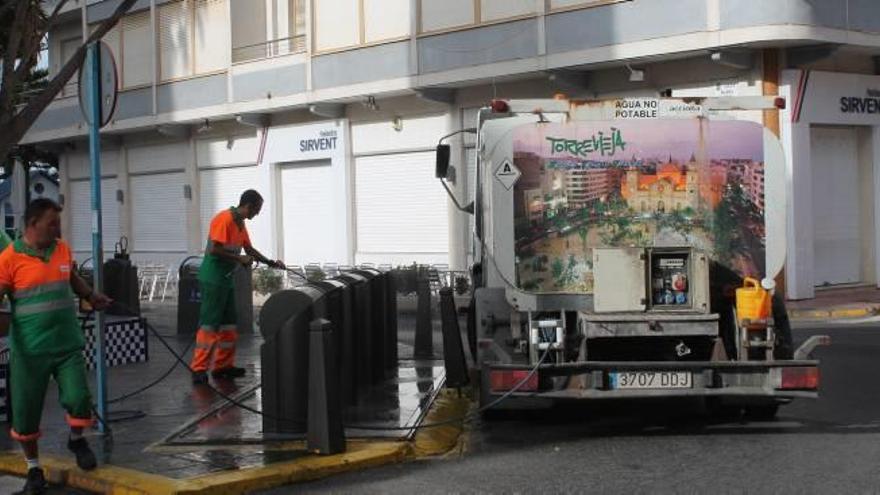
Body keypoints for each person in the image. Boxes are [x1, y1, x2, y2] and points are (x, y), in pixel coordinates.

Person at [0, 199, 111, 494]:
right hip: (30, 352)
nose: (57, 228)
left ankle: (76, 439)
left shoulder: (61, 248)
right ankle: (33, 468)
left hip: (66, 343)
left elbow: (70, 276)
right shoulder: (9, 259)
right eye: (52, 223)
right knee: (25, 415)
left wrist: (90, 294)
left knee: (78, 397)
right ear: (33, 223)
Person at [191, 190, 284, 384]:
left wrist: (270, 262)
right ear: (248, 205)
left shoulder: (240, 223)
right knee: (209, 325)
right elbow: (215, 249)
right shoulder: (223, 219)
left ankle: (222, 366)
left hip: (225, 280)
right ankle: (198, 369)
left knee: (229, 325)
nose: (257, 213)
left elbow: (248, 249)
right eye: (257, 209)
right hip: (213, 279)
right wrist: (239, 258)